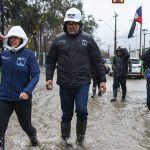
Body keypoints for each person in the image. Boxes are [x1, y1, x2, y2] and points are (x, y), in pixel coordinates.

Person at [45, 7, 106, 145]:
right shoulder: (58, 40)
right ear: (65, 24)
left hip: (82, 83)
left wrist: (102, 80)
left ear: (80, 24)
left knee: (82, 110)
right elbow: (50, 60)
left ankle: (80, 140)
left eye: (74, 23)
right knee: (66, 114)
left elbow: (97, 60)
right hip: (64, 83)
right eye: (69, 23)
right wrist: (49, 78)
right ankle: (65, 140)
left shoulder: (88, 39)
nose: (72, 26)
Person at [0, 26, 40, 150]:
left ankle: (33, 138)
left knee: (26, 126)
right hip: (4, 98)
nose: (13, 40)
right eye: (11, 38)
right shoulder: (4, 55)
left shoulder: (29, 56)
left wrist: (27, 91)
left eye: (16, 38)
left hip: (22, 98)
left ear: (22, 39)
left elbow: (36, 75)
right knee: (0, 127)